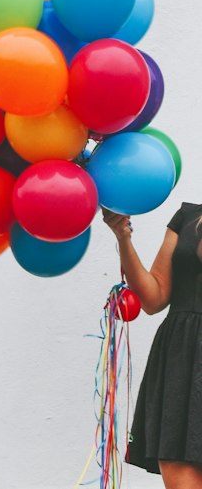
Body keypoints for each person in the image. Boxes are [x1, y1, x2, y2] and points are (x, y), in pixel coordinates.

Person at [102, 201, 202, 486]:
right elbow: (154, 297)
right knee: (176, 464)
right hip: (180, 359)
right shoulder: (187, 215)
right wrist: (123, 236)